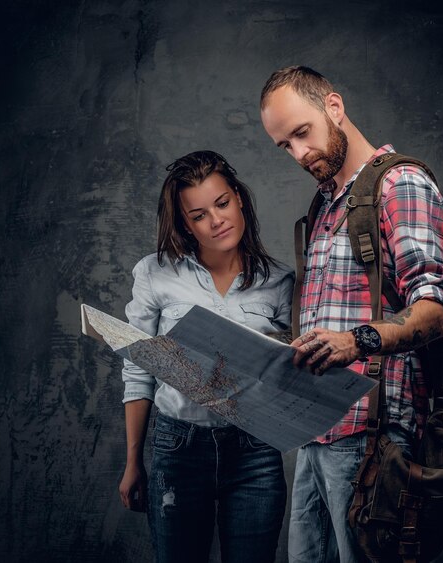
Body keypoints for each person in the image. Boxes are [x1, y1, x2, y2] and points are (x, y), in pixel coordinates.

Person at [259, 66, 443, 562]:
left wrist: (356, 341)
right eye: (285, 146)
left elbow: (436, 309)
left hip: (372, 438)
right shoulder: (328, 204)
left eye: (302, 134)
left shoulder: (400, 185)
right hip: (315, 432)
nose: (300, 154)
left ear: (334, 106)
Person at [118, 150, 294, 563]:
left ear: (239, 198)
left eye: (222, 203)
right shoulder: (153, 273)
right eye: (199, 215)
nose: (216, 221)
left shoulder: (281, 281)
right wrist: (133, 462)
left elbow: (288, 374)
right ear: (185, 223)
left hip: (255, 453)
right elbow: (138, 371)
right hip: (179, 447)